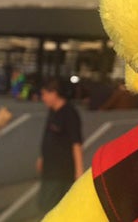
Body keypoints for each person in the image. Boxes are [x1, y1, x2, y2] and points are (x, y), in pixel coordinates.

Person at [36, 78, 83, 214]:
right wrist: (41, 157)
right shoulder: (52, 111)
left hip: (61, 172)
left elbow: (76, 143)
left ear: (54, 93)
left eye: (44, 94)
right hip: (49, 169)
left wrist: (79, 171)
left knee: (51, 207)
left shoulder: (69, 113)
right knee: (46, 204)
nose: (43, 98)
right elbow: (47, 137)